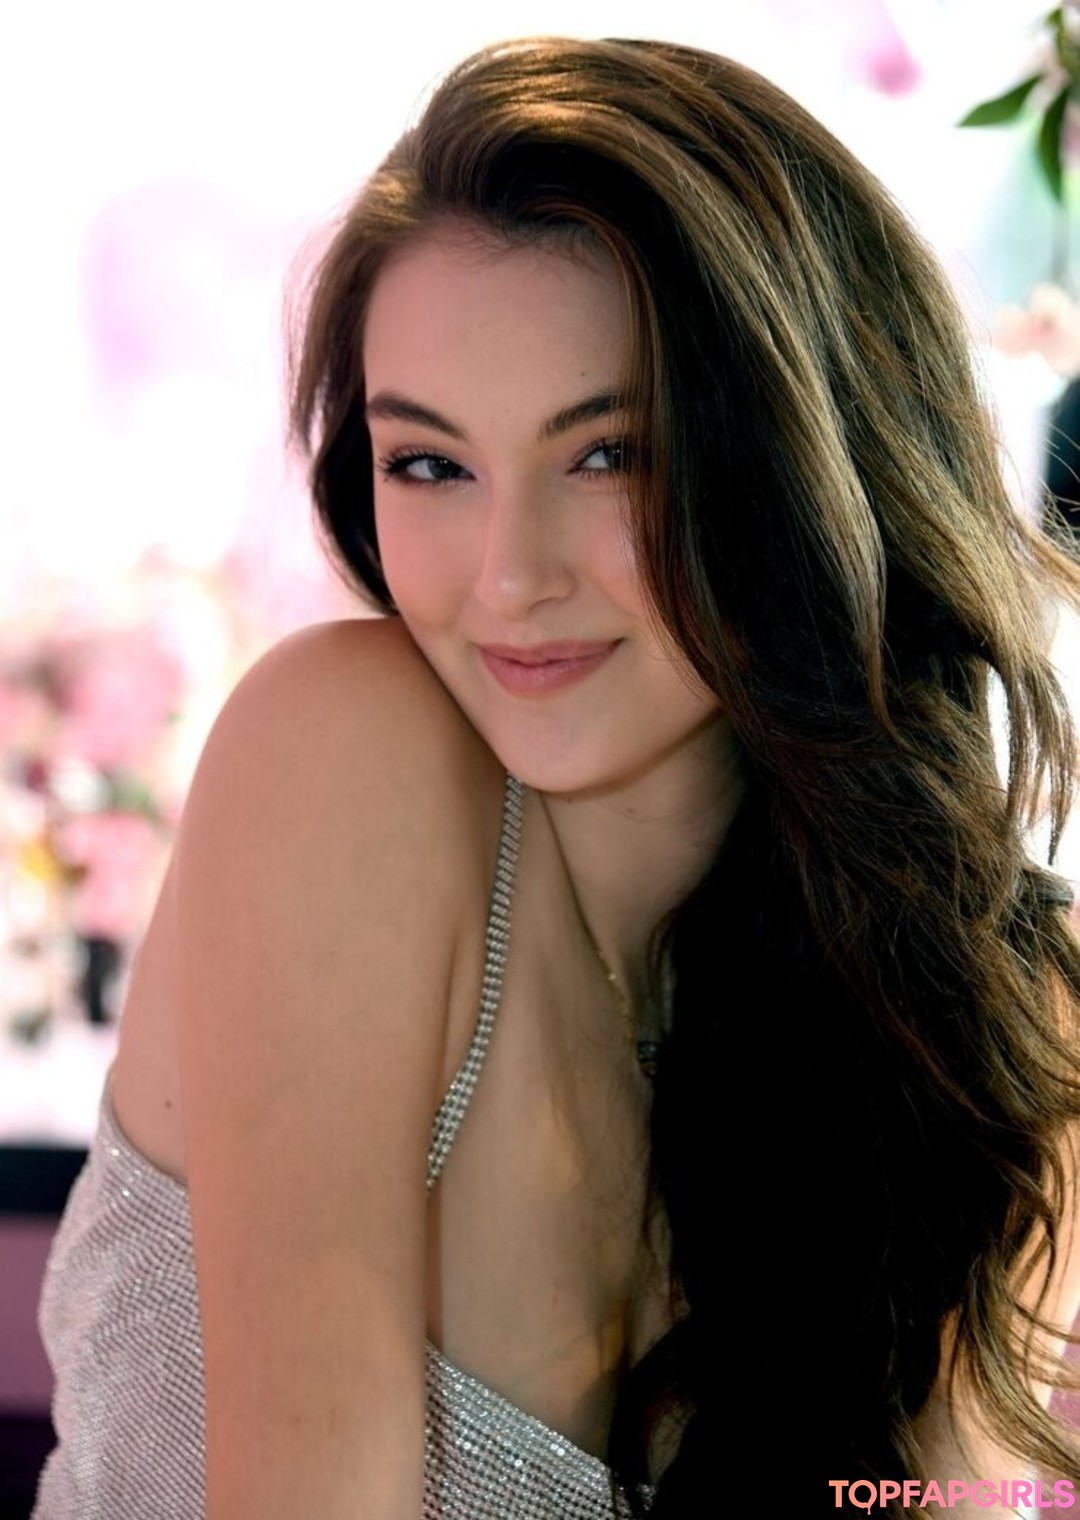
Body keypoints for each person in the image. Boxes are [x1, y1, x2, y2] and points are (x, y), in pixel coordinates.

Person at [33, 36, 1080, 1520]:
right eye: (430, 465)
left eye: (609, 455)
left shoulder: (984, 1020)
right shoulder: (344, 754)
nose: (509, 578)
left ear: (808, 463)